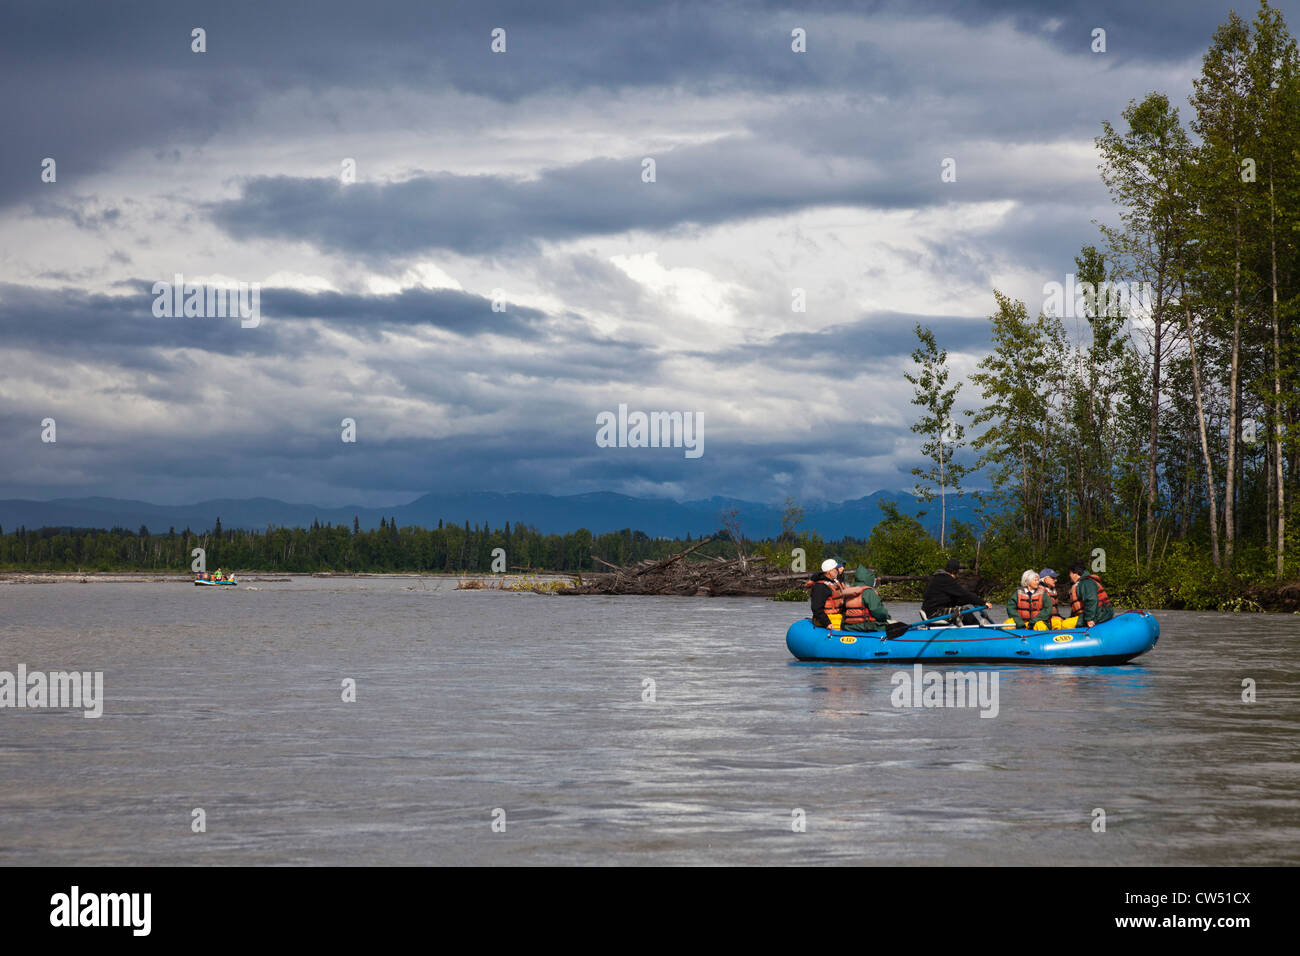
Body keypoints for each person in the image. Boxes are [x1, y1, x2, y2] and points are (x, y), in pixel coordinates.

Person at [922, 559, 992, 625]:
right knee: (964, 611)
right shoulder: (946, 579)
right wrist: (983, 603)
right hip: (935, 614)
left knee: (959, 610)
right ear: (955, 571)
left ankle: (964, 632)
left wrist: (970, 601)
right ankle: (977, 633)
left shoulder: (937, 577)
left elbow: (954, 600)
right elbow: (965, 595)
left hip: (930, 611)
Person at [840, 567, 891, 632]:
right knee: (888, 626)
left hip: (849, 626)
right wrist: (887, 617)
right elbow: (878, 611)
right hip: (866, 626)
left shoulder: (849, 591)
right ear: (868, 579)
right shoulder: (868, 592)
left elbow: (844, 611)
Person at [1065, 563, 1114, 628]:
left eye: (1070, 573)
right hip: (1096, 613)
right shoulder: (1082, 583)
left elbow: (1091, 599)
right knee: (1067, 621)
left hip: (1099, 614)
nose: (1069, 575)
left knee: (1065, 625)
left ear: (1076, 573)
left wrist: (1089, 619)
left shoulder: (1086, 582)